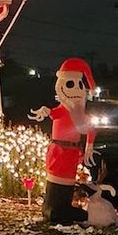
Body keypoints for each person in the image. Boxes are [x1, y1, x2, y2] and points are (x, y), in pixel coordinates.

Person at [29, 58, 95, 224]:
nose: (77, 90)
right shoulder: (64, 109)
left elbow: (91, 128)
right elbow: (54, 113)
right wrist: (46, 111)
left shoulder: (79, 113)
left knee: (68, 181)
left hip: (72, 153)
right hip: (60, 151)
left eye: (80, 85)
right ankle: (53, 208)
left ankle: (63, 207)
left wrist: (89, 146)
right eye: (71, 84)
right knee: (56, 179)